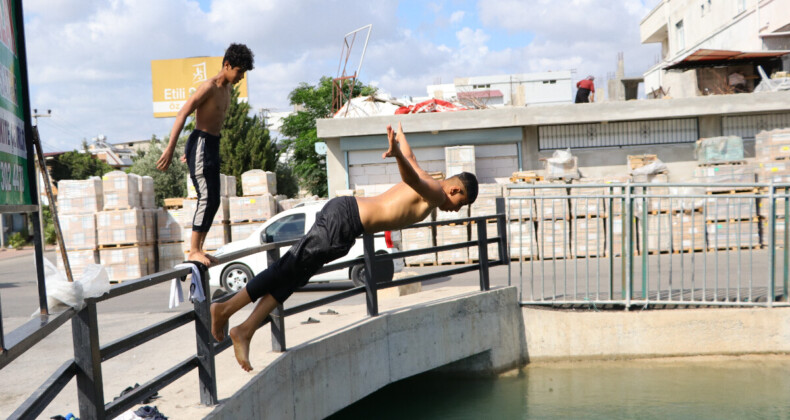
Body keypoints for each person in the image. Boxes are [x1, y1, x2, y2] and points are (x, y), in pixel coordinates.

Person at [210, 122, 479, 371]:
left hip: (347, 225)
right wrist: (397, 153)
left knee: (295, 275)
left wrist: (400, 141)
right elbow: (411, 179)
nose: (456, 211)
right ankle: (225, 309)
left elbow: (412, 160)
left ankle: (246, 328)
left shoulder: (430, 178)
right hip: (345, 218)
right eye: (461, 204)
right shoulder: (435, 192)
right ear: (455, 191)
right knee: (287, 268)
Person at [156, 43, 255, 267]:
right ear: (227, 65)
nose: (240, 77)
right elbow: (183, 112)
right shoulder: (208, 87)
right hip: (201, 142)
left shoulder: (228, 89)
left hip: (211, 144)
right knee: (206, 197)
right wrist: (171, 148)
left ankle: (199, 248)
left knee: (215, 200)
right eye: (239, 71)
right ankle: (192, 250)